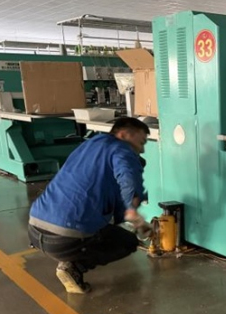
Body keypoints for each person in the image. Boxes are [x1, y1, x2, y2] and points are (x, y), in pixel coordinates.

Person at [28, 117, 152, 294]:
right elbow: (129, 181)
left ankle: (71, 255)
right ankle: (74, 267)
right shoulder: (122, 150)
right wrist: (133, 214)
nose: (142, 149)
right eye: (141, 142)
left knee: (109, 230)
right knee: (128, 242)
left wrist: (124, 214)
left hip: (34, 228)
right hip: (64, 239)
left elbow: (114, 193)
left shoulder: (91, 144)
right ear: (124, 135)